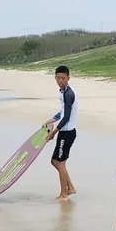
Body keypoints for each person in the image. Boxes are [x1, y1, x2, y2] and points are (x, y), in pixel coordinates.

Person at [45, 65, 77, 201]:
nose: (60, 80)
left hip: (67, 132)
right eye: (58, 78)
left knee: (60, 163)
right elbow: (62, 112)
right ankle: (70, 187)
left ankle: (64, 194)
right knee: (55, 161)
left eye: (63, 78)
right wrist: (51, 120)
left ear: (68, 78)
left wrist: (53, 132)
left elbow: (67, 117)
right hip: (64, 131)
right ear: (55, 78)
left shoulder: (68, 94)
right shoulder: (63, 92)